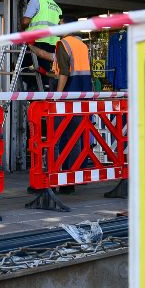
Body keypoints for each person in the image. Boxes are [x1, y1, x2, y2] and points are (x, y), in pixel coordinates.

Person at [52, 31, 93, 193]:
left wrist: (58, 95)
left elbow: (64, 72)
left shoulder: (64, 44)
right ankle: (72, 179)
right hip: (82, 97)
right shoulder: (82, 45)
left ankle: (52, 179)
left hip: (67, 97)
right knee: (74, 139)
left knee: (54, 139)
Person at [22, 0, 62, 91]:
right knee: (46, 72)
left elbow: (26, 21)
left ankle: (34, 92)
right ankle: (44, 90)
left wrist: (21, 28)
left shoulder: (36, 0)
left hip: (37, 42)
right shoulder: (56, 6)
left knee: (23, 69)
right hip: (53, 44)